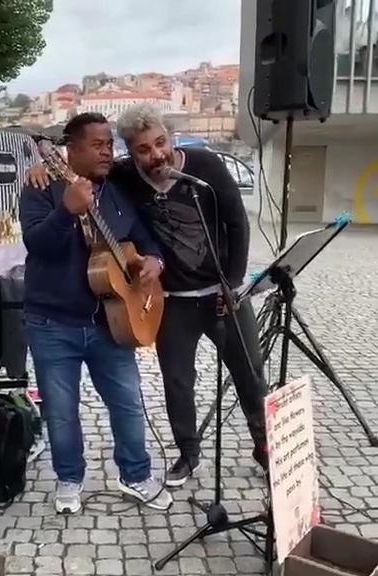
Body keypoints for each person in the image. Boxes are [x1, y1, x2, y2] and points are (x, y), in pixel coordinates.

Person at [26, 105, 269, 489]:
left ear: (169, 137)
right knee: (176, 382)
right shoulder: (120, 177)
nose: (156, 155)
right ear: (132, 153)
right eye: (143, 149)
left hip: (224, 292)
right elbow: (61, 199)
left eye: (161, 143)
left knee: (251, 375)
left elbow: (236, 221)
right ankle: (187, 455)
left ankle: (265, 447)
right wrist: (49, 179)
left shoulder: (202, 168)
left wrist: (230, 281)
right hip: (168, 300)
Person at [20, 112, 172, 513]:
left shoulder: (116, 192)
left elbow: (144, 239)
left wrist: (153, 260)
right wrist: (65, 211)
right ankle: (69, 479)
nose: (107, 151)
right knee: (61, 410)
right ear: (70, 149)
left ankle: (136, 474)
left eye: (109, 144)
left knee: (127, 402)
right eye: (98, 144)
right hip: (52, 323)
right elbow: (38, 245)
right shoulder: (41, 186)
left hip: (111, 322)